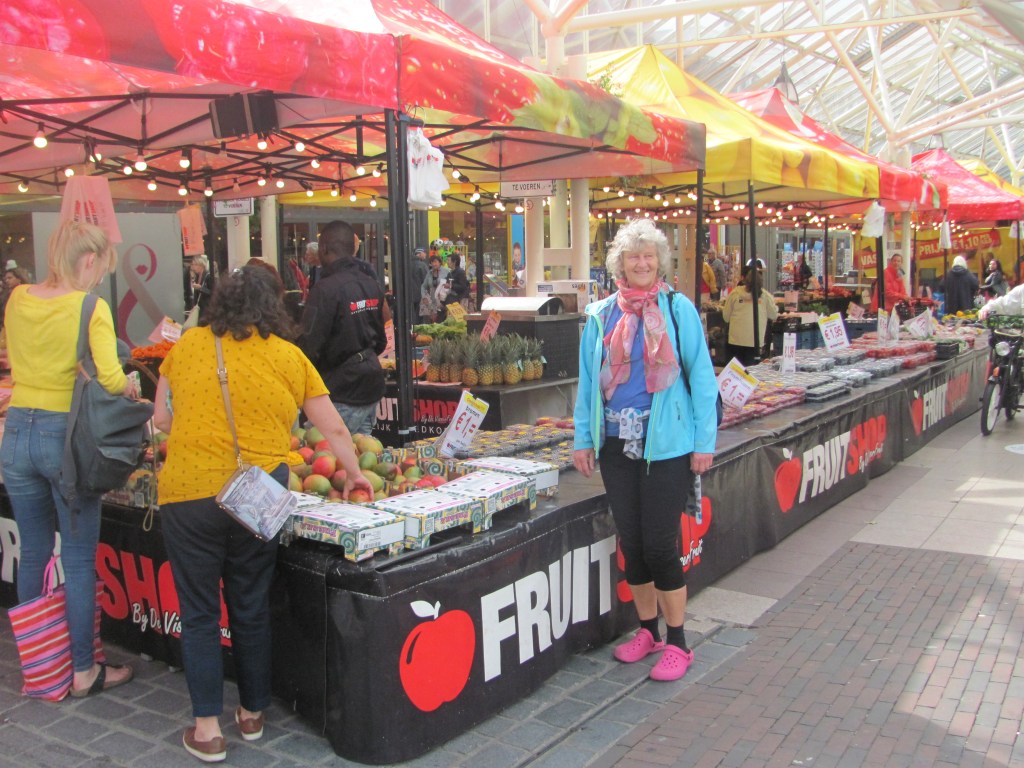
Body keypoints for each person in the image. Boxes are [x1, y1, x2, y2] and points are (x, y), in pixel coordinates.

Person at [153, 265, 372, 763]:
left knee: (200, 612)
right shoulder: (288, 356)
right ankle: (252, 713)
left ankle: (207, 729)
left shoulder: (187, 346)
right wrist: (355, 474)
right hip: (258, 494)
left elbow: (161, 417)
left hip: (188, 492)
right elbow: (335, 429)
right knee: (251, 602)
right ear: (274, 307)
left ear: (221, 302)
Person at [572, 218, 718, 683]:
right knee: (632, 544)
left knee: (659, 545)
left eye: (648, 255)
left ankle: (678, 642)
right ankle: (648, 632)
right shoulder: (600, 315)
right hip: (616, 444)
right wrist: (583, 438)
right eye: (633, 256)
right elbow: (587, 385)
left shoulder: (678, 310)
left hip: (667, 446)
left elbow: (703, 378)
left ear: (659, 262)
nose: (641, 263)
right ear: (620, 263)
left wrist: (703, 442)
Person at [1, 220, 134, 697]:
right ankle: (82, 670)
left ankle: (41, 666)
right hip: (65, 439)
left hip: (16, 432)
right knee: (77, 559)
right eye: (101, 267)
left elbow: (17, 355)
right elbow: (112, 379)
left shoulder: (18, 298)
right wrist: (129, 386)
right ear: (89, 260)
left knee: (34, 551)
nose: (99, 276)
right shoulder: (90, 306)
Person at [300, 220, 387, 437]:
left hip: (341, 389)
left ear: (324, 249)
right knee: (364, 452)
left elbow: (310, 346)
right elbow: (381, 340)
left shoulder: (325, 289)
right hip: (370, 383)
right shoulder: (371, 283)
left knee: (323, 450)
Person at [721, 260, 779, 366]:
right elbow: (774, 315)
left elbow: (726, 317)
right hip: (755, 342)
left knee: (736, 371)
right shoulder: (765, 296)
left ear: (745, 280)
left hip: (735, 341)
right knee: (751, 371)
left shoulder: (734, 294)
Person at [420, 253, 450, 322]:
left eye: (435, 262)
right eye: (432, 262)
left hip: (443, 300)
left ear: (440, 262)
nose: (434, 264)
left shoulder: (446, 271)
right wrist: (424, 296)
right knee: (433, 320)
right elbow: (423, 286)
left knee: (442, 319)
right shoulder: (429, 273)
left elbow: (450, 285)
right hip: (432, 301)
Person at [187, 254, 213, 322]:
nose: (193, 267)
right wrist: (194, 306)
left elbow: (212, 292)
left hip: (206, 308)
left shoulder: (208, 276)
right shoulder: (197, 276)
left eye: (195, 265)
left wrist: (201, 288)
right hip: (200, 309)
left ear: (201, 265)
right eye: (193, 265)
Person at [410, 247, 430, 323]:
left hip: (409, 295)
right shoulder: (422, 265)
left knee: (412, 316)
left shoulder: (407, 264)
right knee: (420, 317)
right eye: (424, 252)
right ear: (419, 253)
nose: (425, 254)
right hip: (420, 295)